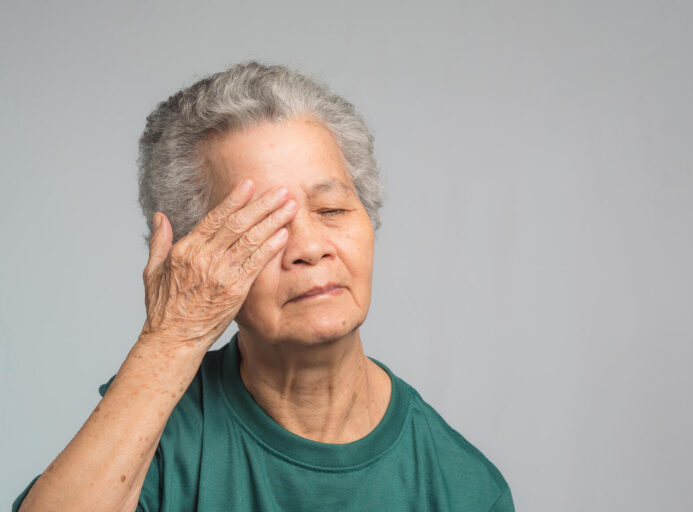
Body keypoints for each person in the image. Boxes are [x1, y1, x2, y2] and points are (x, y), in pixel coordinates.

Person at [12, 60, 515, 512]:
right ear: (197, 259)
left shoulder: (465, 488)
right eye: (264, 227)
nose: (310, 247)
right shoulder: (159, 438)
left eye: (333, 209)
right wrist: (171, 338)